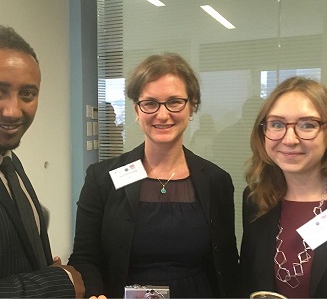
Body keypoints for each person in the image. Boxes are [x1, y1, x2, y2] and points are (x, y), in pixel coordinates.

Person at [68, 52, 239, 298]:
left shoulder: (216, 180)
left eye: (174, 102)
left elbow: (227, 261)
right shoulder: (102, 178)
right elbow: (85, 256)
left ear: (192, 106)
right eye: (150, 103)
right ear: (136, 111)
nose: (162, 114)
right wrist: (95, 293)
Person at [0, 24, 84, 297]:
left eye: (27, 94)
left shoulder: (7, 160)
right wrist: (59, 284)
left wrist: (43, 268)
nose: (13, 111)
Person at [240, 76, 327, 298]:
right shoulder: (256, 199)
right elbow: (248, 280)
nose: (290, 139)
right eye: (277, 124)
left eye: (307, 125)